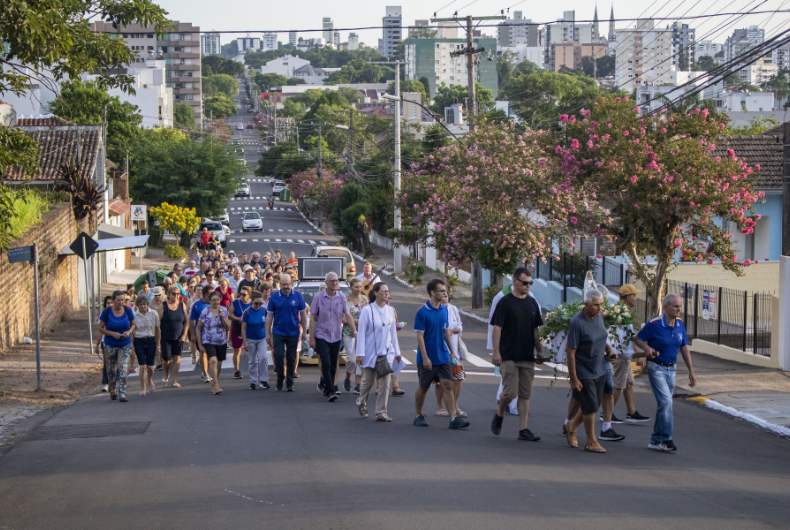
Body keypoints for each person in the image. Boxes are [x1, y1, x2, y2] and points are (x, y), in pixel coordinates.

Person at [633, 293, 696, 452]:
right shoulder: (654, 324)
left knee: (665, 404)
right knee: (666, 402)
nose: (678, 309)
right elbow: (638, 338)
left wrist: (691, 371)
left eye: (680, 306)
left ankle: (655, 440)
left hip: (672, 369)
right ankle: (666, 439)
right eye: (675, 306)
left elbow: (684, 347)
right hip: (656, 367)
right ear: (666, 306)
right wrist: (646, 348)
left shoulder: (680, 323)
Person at [490, 267, 544, 441]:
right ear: (515, 281)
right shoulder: (504, 302)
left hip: (527, 355)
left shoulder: (532, 302)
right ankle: (500, 413)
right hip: (509, 354)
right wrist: (496, 352)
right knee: (510, 393)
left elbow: (535, 329)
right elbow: (497, 327)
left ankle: (523, 429)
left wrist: (540, 350)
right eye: (525, 282)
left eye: (530, 283)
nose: (528, 286)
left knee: (525, 393)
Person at [565, 289, 617, 453]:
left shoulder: (599, 316)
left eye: (601, 304)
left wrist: (608, 349)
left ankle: (571, 427)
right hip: (583, 369)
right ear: (586, 304)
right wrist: (574, 379)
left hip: (599, 367)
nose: (600, 308)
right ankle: (591, 441)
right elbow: (570, 352)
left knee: (594, 405)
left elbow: (601, 335)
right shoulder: (577, 323)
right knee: (590, 406)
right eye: (596, 305)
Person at [413, 279, 469, 429]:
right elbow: (419, 336)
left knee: (447, 385)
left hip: (443, 355)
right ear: (433, 292)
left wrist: (452, 352)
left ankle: (453, 419)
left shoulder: (445, 310)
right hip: (428, 357)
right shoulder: (422, 312)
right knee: (424, 387)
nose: (445, 294)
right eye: (442, 291)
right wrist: (425, 357)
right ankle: (418, 415)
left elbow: (446, 332)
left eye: (445, 291)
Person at [354, 283, 402, 421]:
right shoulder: (367, 310)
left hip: (385, 353)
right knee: (368, 383)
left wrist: (397, 352)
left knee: (385, 383)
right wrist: (360, 353)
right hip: (369, 352)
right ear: (376, 293)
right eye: (384, 291)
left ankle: (381, 412)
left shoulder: (390, 311)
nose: (387, 294)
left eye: (388, 291)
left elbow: (393, 333)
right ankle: (361, 401)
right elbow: (361, 332)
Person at [310, 272, 357, 402]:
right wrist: (311, 338)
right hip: (321, 334)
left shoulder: (341, 297)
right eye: (331, 281)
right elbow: (313, 317)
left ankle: (327, 388)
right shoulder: (318, 297)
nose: (334, 283)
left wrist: (355, 332)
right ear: (326, 282)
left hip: (336, 335)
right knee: (325, 362)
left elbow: (347, 315)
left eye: (336, 280)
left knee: (332, 365)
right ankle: (331, 390)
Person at [612, 285, 651, 423]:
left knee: (628, 383)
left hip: (625, 353)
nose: (636, 298)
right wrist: (637, 353)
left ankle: (631, 412)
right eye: (634, 295)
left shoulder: (622, 311)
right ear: (628, 298)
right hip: (622, 354)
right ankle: (607, 413)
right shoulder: (622, 313)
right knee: (619, 384)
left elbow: (628, 335)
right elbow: (627, 336)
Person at [265, 273, 307, 392]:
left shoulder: (298, 296)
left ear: (291, 283)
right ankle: (280, 377)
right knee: (278, 355)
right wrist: (267, 333)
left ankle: (289, 382)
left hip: (294, 332)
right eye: (283, 284)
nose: (285, 287)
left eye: (287, 284)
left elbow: (303, 314)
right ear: (279, 284)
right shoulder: (274, 297)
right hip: (278, 331)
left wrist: (304, 331)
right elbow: (269, 316)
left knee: (291, 357)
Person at [98, 290, 136, 402]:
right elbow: (100, 328)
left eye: (122, 300)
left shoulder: (128, 310)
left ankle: (122, 393)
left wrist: (129, 332)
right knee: (111, 370)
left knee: (123, 367)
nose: (121, 302)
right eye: (118, 300)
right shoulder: (106, 312)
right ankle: (113, 389)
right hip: (110, 344)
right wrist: (112, 333)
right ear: (113, 300)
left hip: (125, 343)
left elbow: (133, 324)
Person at [434, 291, 466, 418]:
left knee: (458, 378)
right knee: (439, 381)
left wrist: (458, 329)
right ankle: (440, 406)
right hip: (440, 352)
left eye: (446, 296)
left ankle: (455, 405)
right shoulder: (435, 310)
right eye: (442, 296)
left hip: (454, 353)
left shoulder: (453, 309)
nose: (444, 298)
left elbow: (459, 324)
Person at [196, 291, 231, 395]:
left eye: (217, 300)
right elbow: (198, 328)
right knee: (213, 360)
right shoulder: (205, 312)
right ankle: (215, 385)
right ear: (210, 301)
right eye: (213, 300)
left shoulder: (224, 310)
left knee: (219, 363)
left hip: (221, 340)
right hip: (208, 340)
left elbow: (228, 327)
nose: (216, 302)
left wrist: (223, 318)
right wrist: (200, 343)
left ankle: (215, 381)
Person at [157, 287, 188, 387]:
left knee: (177, 358)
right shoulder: (163, 306)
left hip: (179, 337)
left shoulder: (182, 305)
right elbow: (156, 323)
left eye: (178, 294)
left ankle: (174, 380)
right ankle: (166, 374)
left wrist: (184, 335)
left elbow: (186, 321)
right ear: (168, 295)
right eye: (174, 294)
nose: (176, 296)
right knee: (166, 360)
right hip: (166, 337)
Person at [342, 278, 367, 395]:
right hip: (349, 334)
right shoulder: (346, 301)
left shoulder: (365, 299)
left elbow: (368, 315)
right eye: (356, 287)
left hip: (363, 335)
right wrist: (356, 321)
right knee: (351, 360)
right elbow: (343, 318)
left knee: (360, 359)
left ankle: (358, 385)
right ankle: (347, 377)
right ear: (350, 288)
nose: (358, 289)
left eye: (360, 286)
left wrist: (358, 321)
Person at [132, 296, 160, 397]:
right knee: (142, 366)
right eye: (140, 305)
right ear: (137, 306)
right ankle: (143, 388)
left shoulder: (153, 314)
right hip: (139, 341)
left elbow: (157, 329)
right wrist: (132, 347)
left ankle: (149, 379)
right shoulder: (134, 315)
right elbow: (132, 332)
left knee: (151, 367)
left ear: (147, 304)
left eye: (144, 304)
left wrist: (158, 345)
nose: (143, 307)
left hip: (150, 340)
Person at [243, 291, 269, 390]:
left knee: (263, 358)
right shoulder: (247, 311)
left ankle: (263, 380)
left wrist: (268, 335)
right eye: (256, 303)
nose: (258, 305)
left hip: (262, 338)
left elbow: (267, 324)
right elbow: (243, 328)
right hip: (251, 339)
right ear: (252, 301)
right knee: (253, 361)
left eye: (260, 303)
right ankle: (253, 381)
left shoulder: (264, 310)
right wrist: (245, 342)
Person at [189, 285, 213, 384]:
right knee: (203, 352)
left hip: (212, 334)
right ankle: (205, 373)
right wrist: (192, 335)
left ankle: (206, 370)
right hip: (201, 333)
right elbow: (191, 320)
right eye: (212, 294)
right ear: (206, 295)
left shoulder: (214, 303)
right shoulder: (197, 305)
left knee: (210, 356)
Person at [228, 286, 252, 379]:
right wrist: (239, 318)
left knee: (251, 350)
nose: (241, 296)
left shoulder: (252, 303)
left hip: (249, 329)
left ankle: (252, 369)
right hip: (237, 328)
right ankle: (236, 370)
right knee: (237, 350)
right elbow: (229, 315)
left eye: (244, 294)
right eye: (240, 294)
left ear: (249, 295)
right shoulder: (235, 303)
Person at [96, 296, 113, 392]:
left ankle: (114, 382)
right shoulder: (104, 315)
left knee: (115, 363)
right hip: (105, 342)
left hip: (116, 342)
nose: (109, 305)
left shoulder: (118, 313)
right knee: (107, 363)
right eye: (108, 303)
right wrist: (97, 345)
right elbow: (100, 331)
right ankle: (106, 383)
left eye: (111, 303)